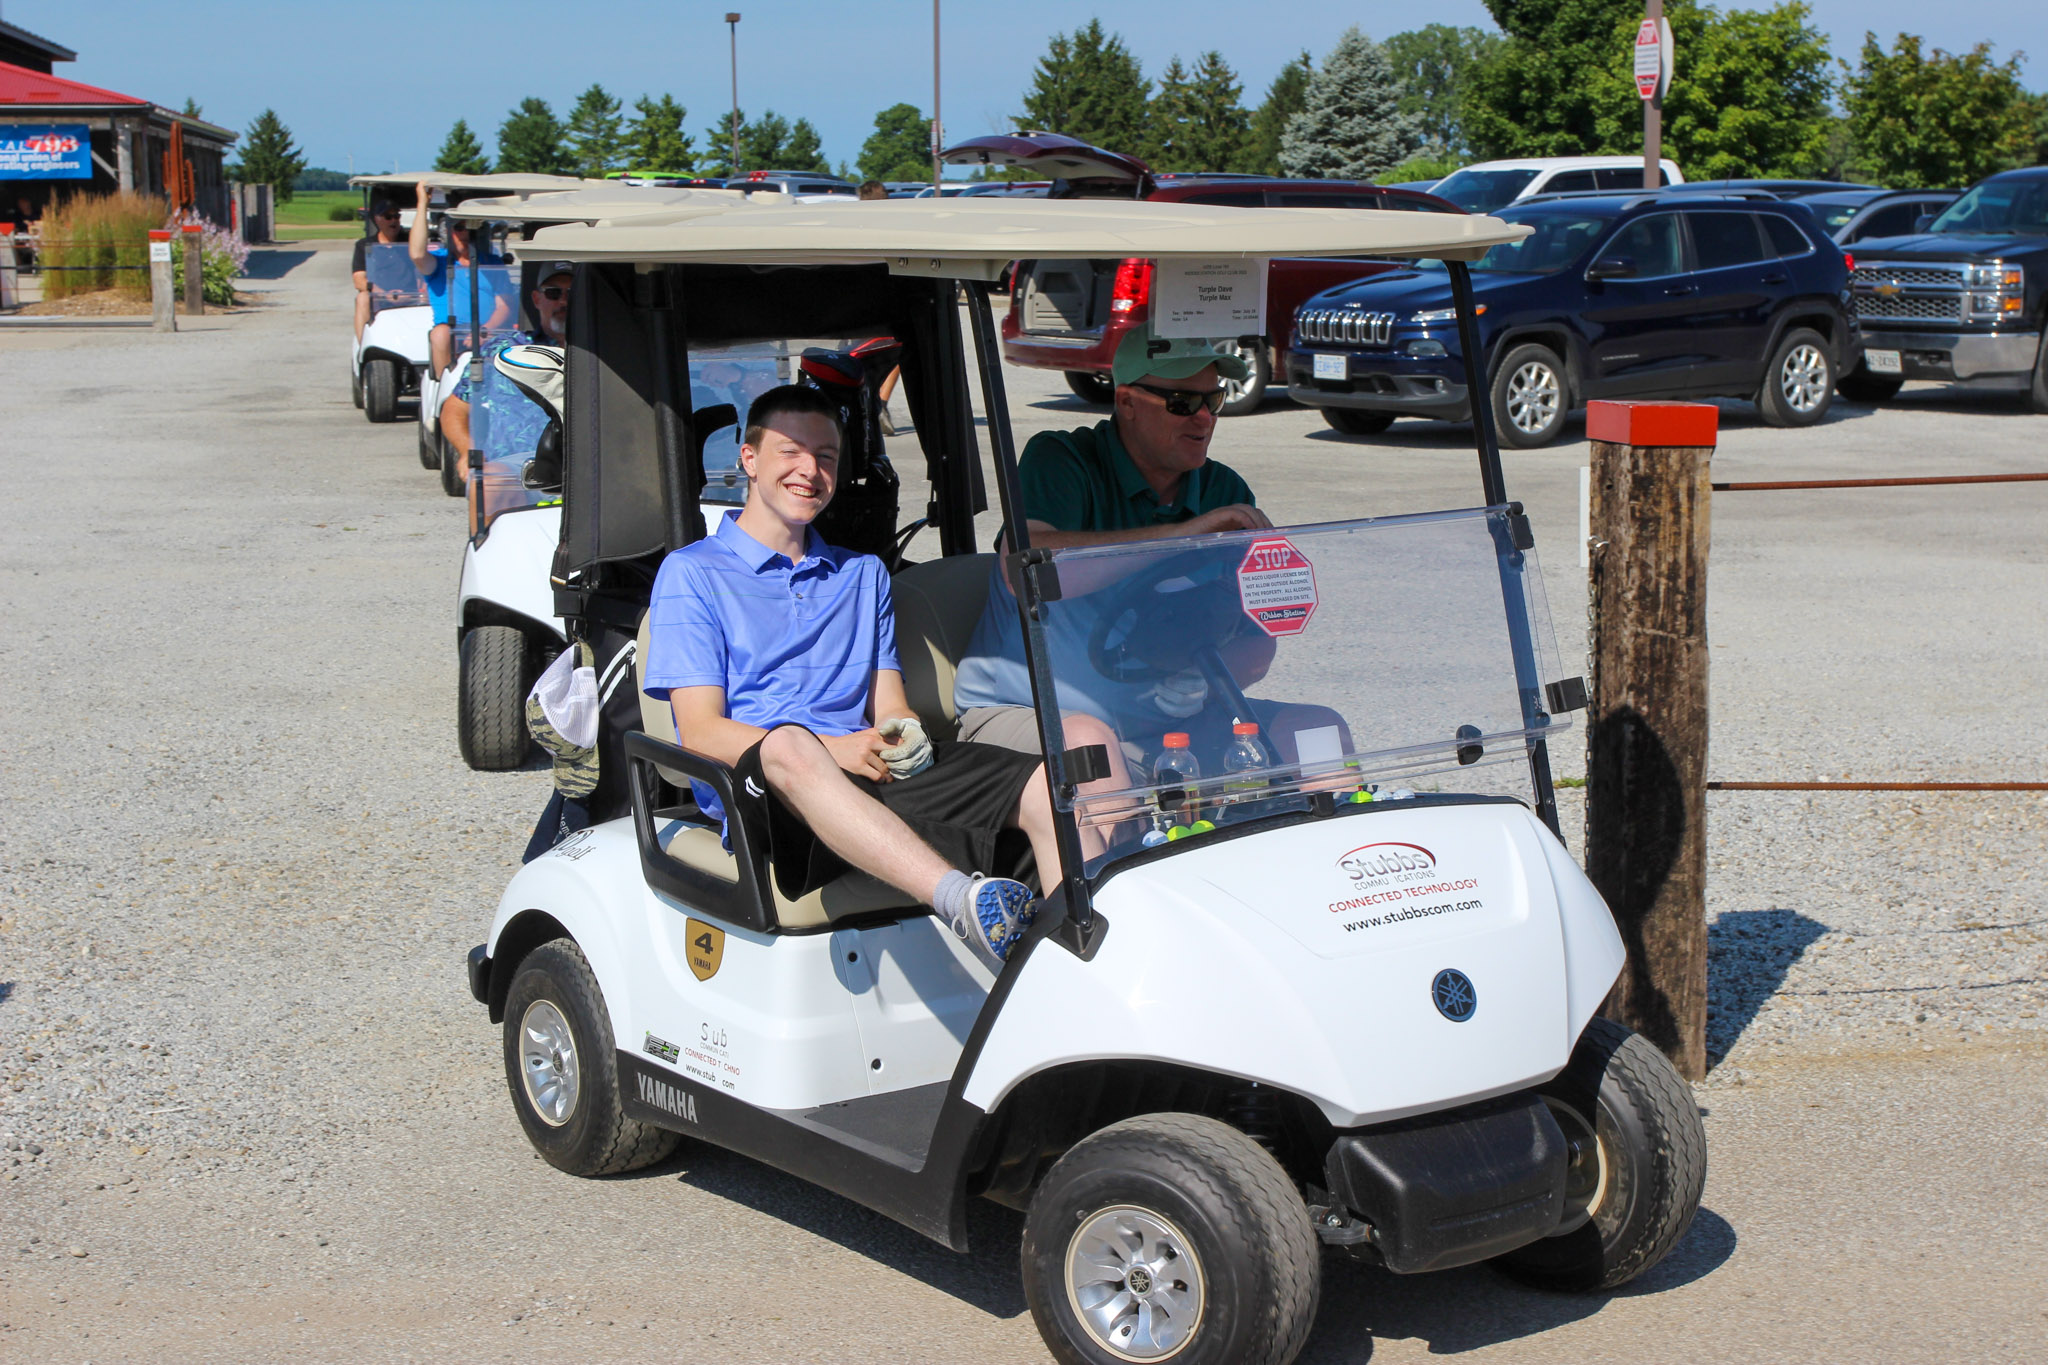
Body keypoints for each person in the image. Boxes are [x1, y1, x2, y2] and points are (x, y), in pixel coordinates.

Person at [643, 386, 1104, 964]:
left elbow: (890, 704)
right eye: (790, 451)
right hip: (764, 792)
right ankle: (964, 903)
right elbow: (701, 733)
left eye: (826, 457)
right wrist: (831, 751)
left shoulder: (862, 576)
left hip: (860, 767)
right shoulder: (692, 573)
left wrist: (902, 730)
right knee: (790, 744)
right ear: (750, 459)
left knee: (1048, 784)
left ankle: (1081, 956)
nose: (809, 470)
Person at [951, 321, 1347, 770]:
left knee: (1318, 731)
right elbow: (1026, 571)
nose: (1205, 417)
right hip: (1028, 714)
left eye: (1213, 399)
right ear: (1127, 403)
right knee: (1092, 747)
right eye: (1183, 403)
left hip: (1160, 725)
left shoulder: (1222, 489)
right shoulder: (1062, 460)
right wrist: (1182, 536)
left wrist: (1203, 679)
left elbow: (1257, 640)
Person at [437, 262, 571, 460]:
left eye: (572, 293)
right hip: (509, 470)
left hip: (581, 472)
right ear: (536, 299)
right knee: (484, 489)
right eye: (553, 293)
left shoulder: (600, 355)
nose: (563, 302)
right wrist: (468, 452)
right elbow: (454, 409)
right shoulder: (501, 350)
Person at [408, 181, 510, 377]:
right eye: (459, 228)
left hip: (487, 331)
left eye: (472, 228)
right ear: (449, 232)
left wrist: (484, 330)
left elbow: (504, 305)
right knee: (441, 334)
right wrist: (423, 204)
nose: (465, 234)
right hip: (452, 334)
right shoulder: (439, 261)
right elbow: (417, 254)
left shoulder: (492, 262)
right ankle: (444, 388)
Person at [350, 197, 406, 344]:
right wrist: (385, 294)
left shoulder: (409, 242)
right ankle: (363, 348)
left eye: (396, 216)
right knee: (362, 298)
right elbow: (359, 280)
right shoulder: (365, 245)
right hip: (380, 299)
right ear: (377, 219)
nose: (393, 221)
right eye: (388, 217)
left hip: (411, 296)